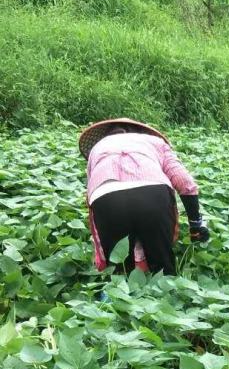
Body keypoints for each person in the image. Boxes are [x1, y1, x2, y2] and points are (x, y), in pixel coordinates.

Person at [79, 117, 210, 276]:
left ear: (108, 135)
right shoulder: (153, 141)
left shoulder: (98, 147)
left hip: (106, 198)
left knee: (120, 272)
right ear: (138, 132)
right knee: (163, 268)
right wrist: (195, 225)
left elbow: (91, 193)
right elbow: (185, 183)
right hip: (153, 195)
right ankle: (166, 292)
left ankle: (118, 293)